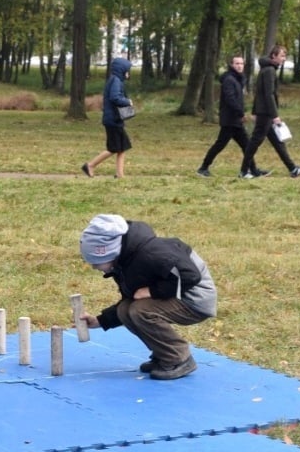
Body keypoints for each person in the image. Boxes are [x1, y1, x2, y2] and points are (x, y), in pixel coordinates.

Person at [78, 214, 217, 380]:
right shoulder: (123, 262)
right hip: (176, 295)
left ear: (110, 253)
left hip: (196, 298)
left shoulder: (152, 253)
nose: (94, 267)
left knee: (140, 311)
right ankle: (163, 354)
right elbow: (129, 299)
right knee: (125, 310)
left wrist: (152, 291)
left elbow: (190, 275)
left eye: (96, 262)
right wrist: (101, 321)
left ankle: (179, 358)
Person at [239, 44, 300, 179]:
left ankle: (292, 168)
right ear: (273, 56)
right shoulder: (269, 70)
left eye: (285, 56)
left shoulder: (266, 69)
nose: (284, 58)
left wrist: (255, 111)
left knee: (277, 142)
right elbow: (268, 94)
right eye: (281, 56)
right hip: (266, 113)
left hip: (264, 112)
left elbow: (259, 93)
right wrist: (274, 115)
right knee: (255, 142)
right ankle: (244, 171)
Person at [197, 55, 268, 178]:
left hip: (236, 120)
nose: (239, 66)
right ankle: (203, 168)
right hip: (229, 120)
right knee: (220, 144)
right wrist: (241, 113)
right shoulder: (229, 80)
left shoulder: (237, 79)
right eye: (237, 63)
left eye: (241, 63)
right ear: (231, 65)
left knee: (246, 145)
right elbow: (230, 99)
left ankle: (253, 170)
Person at [81, 57, 133, 179]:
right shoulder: (116, 81)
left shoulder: (115, 80)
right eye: (127, 70)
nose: (128, 73)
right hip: (113, 120)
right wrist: (127, 102)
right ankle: (90, 165)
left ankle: (120, 174)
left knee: (122, 147)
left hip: (114, 119)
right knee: (114, 148)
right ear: (121, 70)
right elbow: (115, 97)